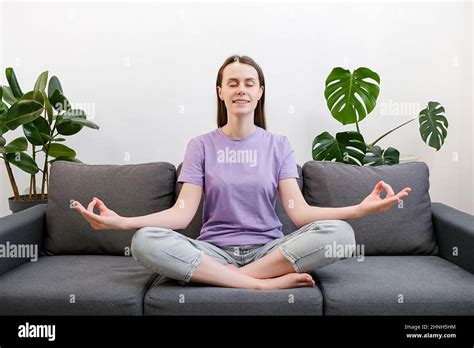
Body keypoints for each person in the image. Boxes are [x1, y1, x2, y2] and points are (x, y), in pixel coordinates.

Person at [73, 55, 411, 290]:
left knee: (340, 235)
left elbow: (300, 213)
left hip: (269, 249)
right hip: (213, 250)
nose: (241, 89)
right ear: (220, 92)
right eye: (232, 83)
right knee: (144, 241)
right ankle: (260, 286)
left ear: (260, 92)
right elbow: (181, 215)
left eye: (249, 83)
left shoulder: (278, 145)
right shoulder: (200, 146)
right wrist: (121, 222)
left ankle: (228, 278)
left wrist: (359, 210)